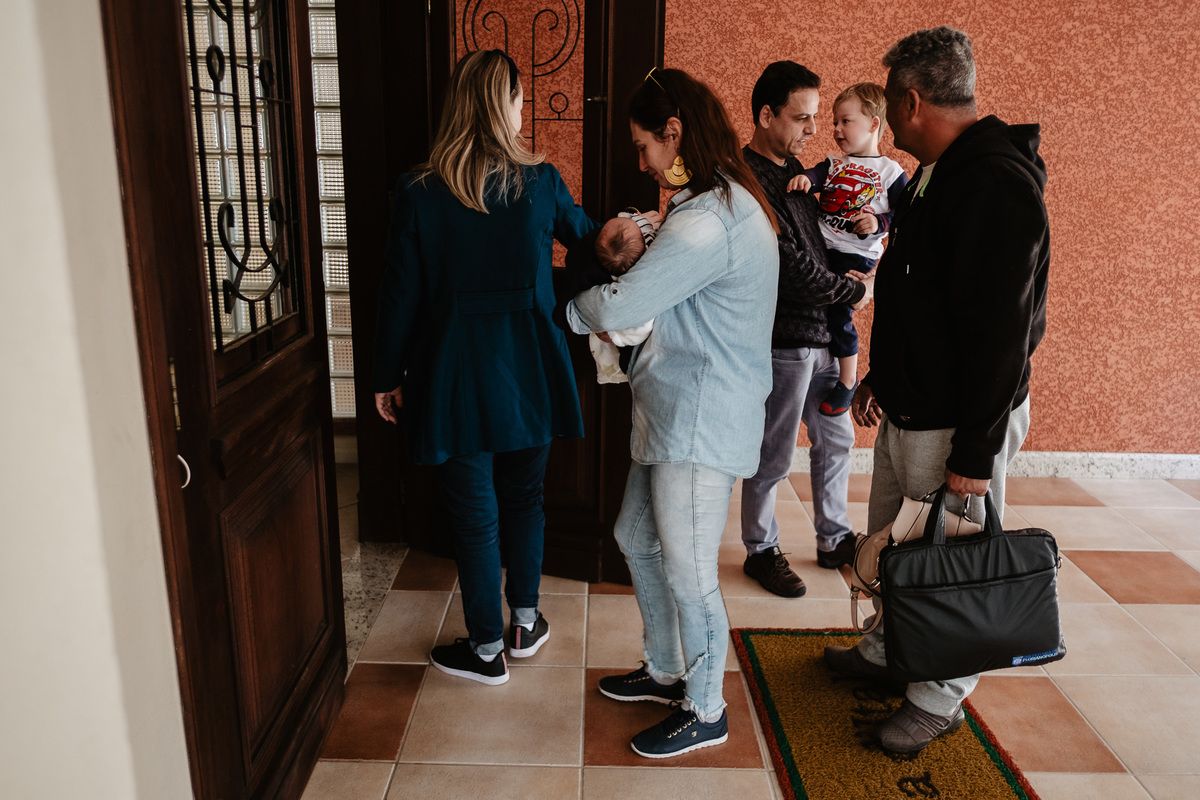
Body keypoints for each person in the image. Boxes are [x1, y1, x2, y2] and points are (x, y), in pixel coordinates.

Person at [824, 26, 1050, 754]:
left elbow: (1001, 337)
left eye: (889, 102)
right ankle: (891, 649)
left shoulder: (994, 184)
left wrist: (976, 456)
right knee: (899, 545)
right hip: (914, 404)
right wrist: (882, 380)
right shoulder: (940, 170)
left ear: (911, 100)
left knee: (950, 560)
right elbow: (918, 290)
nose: (887, 118)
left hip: (960, 421)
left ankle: (938, 697)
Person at [564, 67, 779, 758]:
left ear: (675, 132)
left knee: (690, 572)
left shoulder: (710, 221)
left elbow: (621, 305)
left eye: (644, 145)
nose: (641, 161)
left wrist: (572, 307)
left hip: (699, 420)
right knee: (635, 537)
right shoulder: (703, 204)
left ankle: (707, 706)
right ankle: (664, 668)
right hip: (672, 410)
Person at [372, 49, 594, 686]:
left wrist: (386, 374)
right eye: (521, 99)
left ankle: (488, 649)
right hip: (531, 367)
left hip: (452, 375)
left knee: (475, 515)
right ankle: (525, 620)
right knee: (526, 499)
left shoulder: (418, 191)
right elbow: (589, 243)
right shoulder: (543, 181)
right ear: (509, 107)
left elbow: (399, 295)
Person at [739, 61, 874, 598]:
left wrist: (870, 235)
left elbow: (826, 237)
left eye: (818, 118)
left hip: (826, 335)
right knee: (772, 451)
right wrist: (851, 291)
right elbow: (787, 264)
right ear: (766, 114)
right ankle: (760, 548)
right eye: (802, 118)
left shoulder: (800, 174)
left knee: (836, 441)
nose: (815, 130)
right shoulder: (746, 179)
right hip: (784, 339)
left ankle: (833, 538)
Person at [789, 82, 907, 416]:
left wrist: (879, 223)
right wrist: (805, 181)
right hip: (822, 246)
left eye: (846, 121)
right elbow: (815, 174)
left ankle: (847, 379)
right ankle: (820, 363)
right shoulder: (834, 163)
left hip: (856, 255)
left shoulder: (890, 172)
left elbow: (904, 216)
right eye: (835, 122)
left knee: (840, 311)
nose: (837, 129)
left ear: (873, 124)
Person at [561, 210, 662, 384]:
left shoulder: (608, 269)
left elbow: (622, 223)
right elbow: (641, 329)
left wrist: (615, 335)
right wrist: (618, 336)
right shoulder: (649, 246)